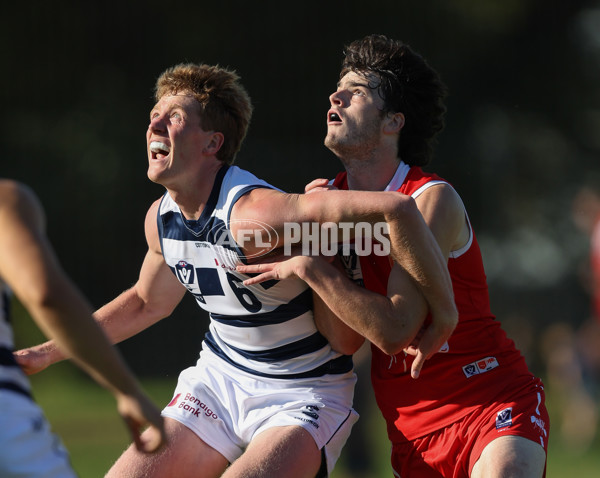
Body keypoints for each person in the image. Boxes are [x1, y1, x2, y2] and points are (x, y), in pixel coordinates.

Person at [15, 63, 457, 478]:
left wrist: (445, 310)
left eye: (174, 117)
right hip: (218, 381)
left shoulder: (254, 216)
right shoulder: (161, 219)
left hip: (301, 394)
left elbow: (398, 210)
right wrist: (44, 354)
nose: (154, 125)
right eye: (154, 115)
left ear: (213, 143)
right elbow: (146, 303)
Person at [239, 34, 550, 478]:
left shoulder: (429, 200)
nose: (336, 96)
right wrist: (318, 248)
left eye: (358, 91)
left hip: (490, 398)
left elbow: (395, 331)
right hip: (411, 427)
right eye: (338, 88)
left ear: (393, 122)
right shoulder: (329, 206)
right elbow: (345, 340)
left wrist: (309, 267)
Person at [0, 179, 165, 477]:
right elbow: (46, 295)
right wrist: (126, 390)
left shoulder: (265, 207)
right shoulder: (6, 199)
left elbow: (147, 301)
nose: (154, 129)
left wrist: (44, 352)